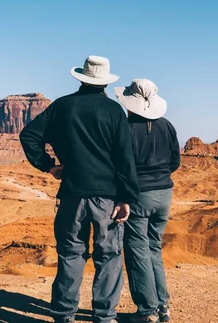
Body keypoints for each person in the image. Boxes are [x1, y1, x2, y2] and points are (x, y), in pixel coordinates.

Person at [20, 55, 140, 323]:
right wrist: (126, 197)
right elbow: (125, 157)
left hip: (72, 194)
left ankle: (63, 315)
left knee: (71, 255)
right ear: (105, 82)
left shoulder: (62, 107)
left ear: (82, 78)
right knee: (108, 257)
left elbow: (29, 135)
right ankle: (105, 316)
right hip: (107, 198)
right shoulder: (113, 111)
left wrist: (49, 166)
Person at [114, 79, 180, 323]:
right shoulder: (167, 126)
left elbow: (121, 166)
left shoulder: (127, 128)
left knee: (137, 248)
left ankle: (147, 310)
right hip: (165, 193)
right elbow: (175, 161)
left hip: (139, 195)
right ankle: (163, 305)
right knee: (154, 246)